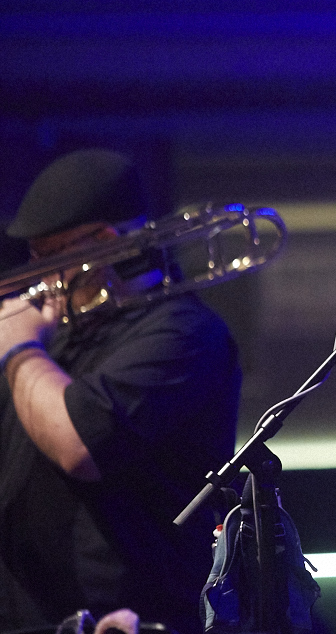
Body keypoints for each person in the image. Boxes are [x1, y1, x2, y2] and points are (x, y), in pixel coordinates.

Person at [0, 150, 242, 634]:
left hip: (131, 620)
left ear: (105, 245)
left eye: (51, 256)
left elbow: (78, 445)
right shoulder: (57, 339)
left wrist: (19, 350)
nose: (39, 276)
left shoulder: (184, 332)